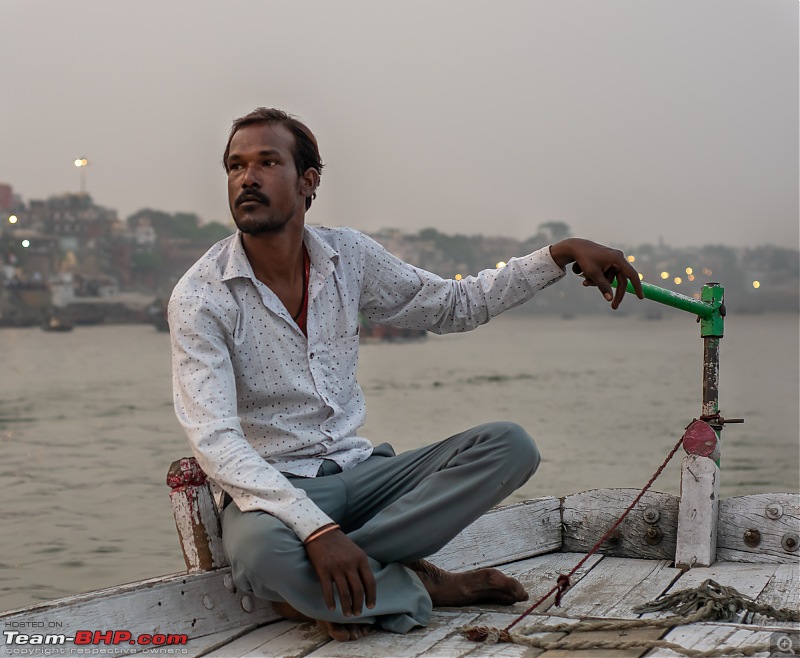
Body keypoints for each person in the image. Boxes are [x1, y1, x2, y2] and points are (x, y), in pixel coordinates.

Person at [168, 107, 643, 642]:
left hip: (364, 474)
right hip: (276, 490)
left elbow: (452, 305)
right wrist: (316, 529)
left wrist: (557, 255)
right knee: (258, 556)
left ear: (308, 182)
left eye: (266, 162)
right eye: (235, 166)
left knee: (511, 446)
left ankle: (336, 587)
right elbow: (214, 438)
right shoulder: (201, 296)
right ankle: (428, 588)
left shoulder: (347, 256)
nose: (246, 179)